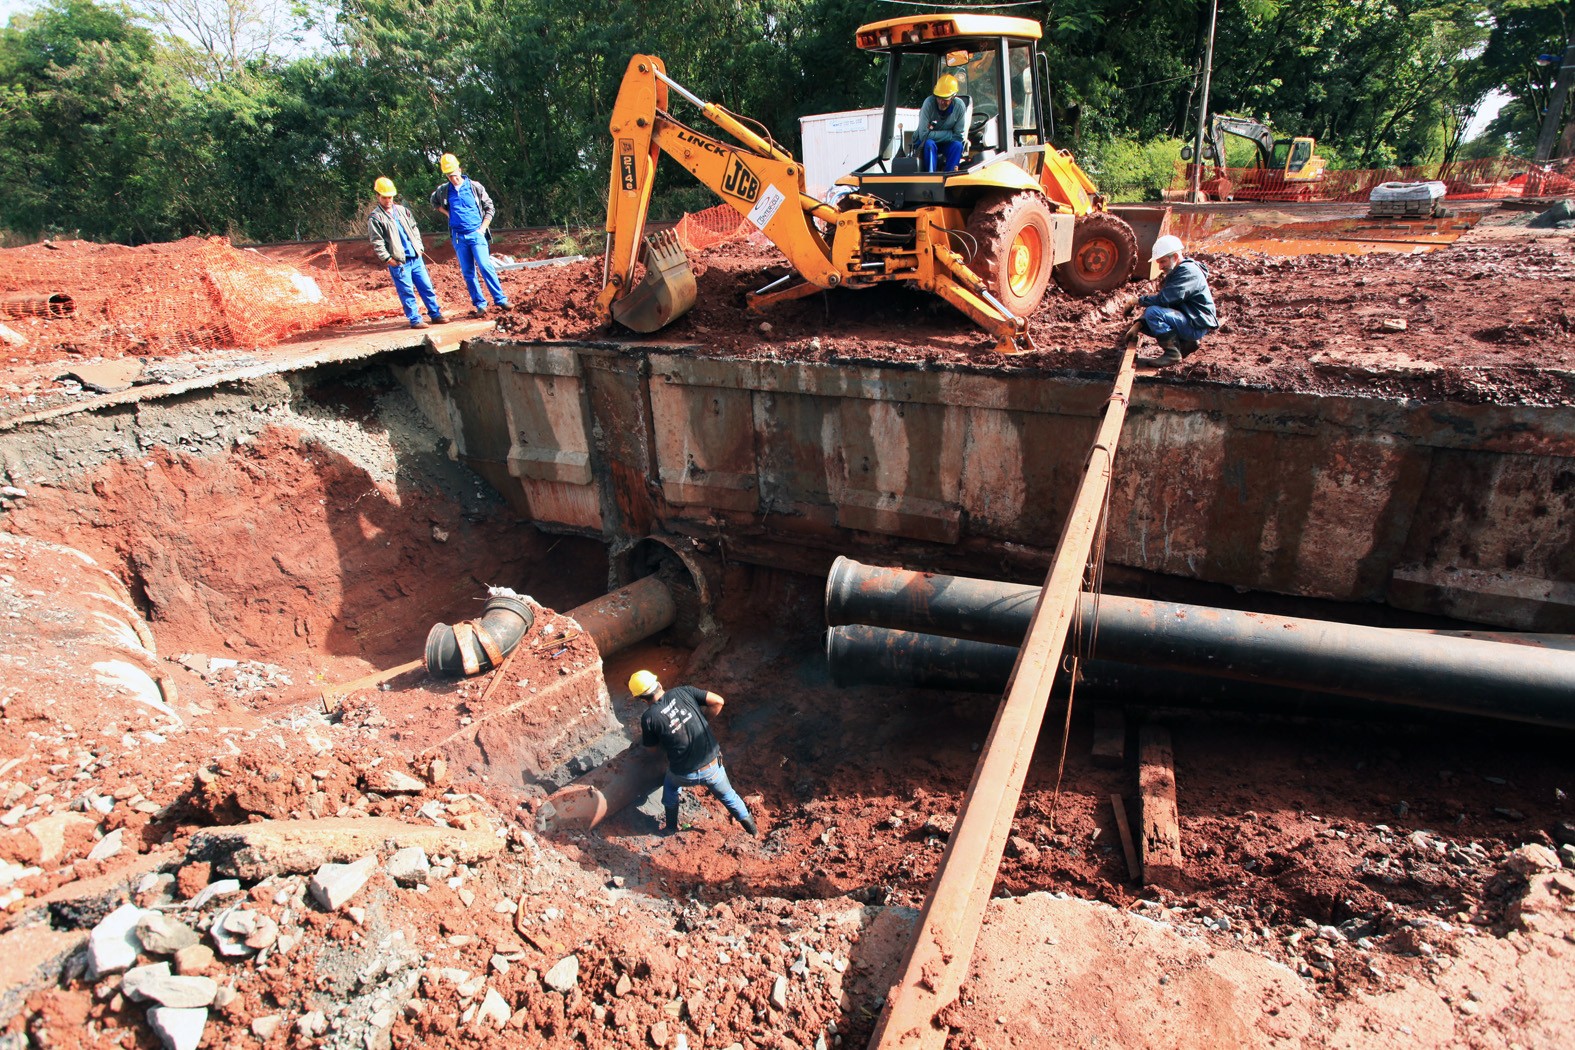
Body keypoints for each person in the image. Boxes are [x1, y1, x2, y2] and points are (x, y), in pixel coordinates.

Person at [630, 670, 757, 837]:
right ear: (659, 684)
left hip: (684, 774)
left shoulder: (649, 718)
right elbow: (718, 701)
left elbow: (651, 750)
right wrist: (704, 722)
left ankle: (670, 828)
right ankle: (753, 832)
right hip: (713, 768)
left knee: (670, 787)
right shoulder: (683, 691)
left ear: (641, 699)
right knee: (729, 797)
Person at [429, 153, 510, 318]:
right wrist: (448, 214)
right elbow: (434, 202)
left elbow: (490, 208)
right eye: (449, 176)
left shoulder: (475, 187)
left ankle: (500, 299)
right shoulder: (443, 191)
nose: (453, 178)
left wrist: (482, 229)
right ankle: (480, 304)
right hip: (459, 237)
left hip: (476, 234)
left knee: (485, 265)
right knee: (468, 272)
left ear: (460, 169)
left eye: (454, 174)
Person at [366, 176, 448, 329]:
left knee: (426, 287)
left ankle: (435, 314)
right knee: (406, 291)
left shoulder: (403, 211)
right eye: (385, 197)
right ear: (378, 196)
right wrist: (388, 259)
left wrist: (419, 246)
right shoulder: (376, 218)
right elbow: (377, 242)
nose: (388, 200)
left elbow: (414, 229)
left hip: (415, 257)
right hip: (399, 261)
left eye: (390, 196)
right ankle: (415, 319)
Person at [1136, 234, 1218, 367]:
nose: (1161, 267)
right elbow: (1169, 302)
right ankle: (1186, 343)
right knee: (1149, 321)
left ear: (1174, 257)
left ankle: (1172, 354)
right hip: (1193, 320)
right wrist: (1139, 324)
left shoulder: (1187, 273)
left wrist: (1138, 301)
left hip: (1196, 325)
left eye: (1163, 262)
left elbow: (1164, 300)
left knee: (1153, 313)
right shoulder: (1180, 271)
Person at [912, 74, 971, 173]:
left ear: (953, 97)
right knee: (929, 144)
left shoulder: (960, 107)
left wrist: (933, 134)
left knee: (957, 146)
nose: (941, 102)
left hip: (946, 144)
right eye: (939, 98)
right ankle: (931, 178)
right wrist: (949, 133)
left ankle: (949, 177)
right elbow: (924, 135)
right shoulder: (928, 104)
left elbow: (958, 137)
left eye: (945, 99)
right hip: (926, 143)